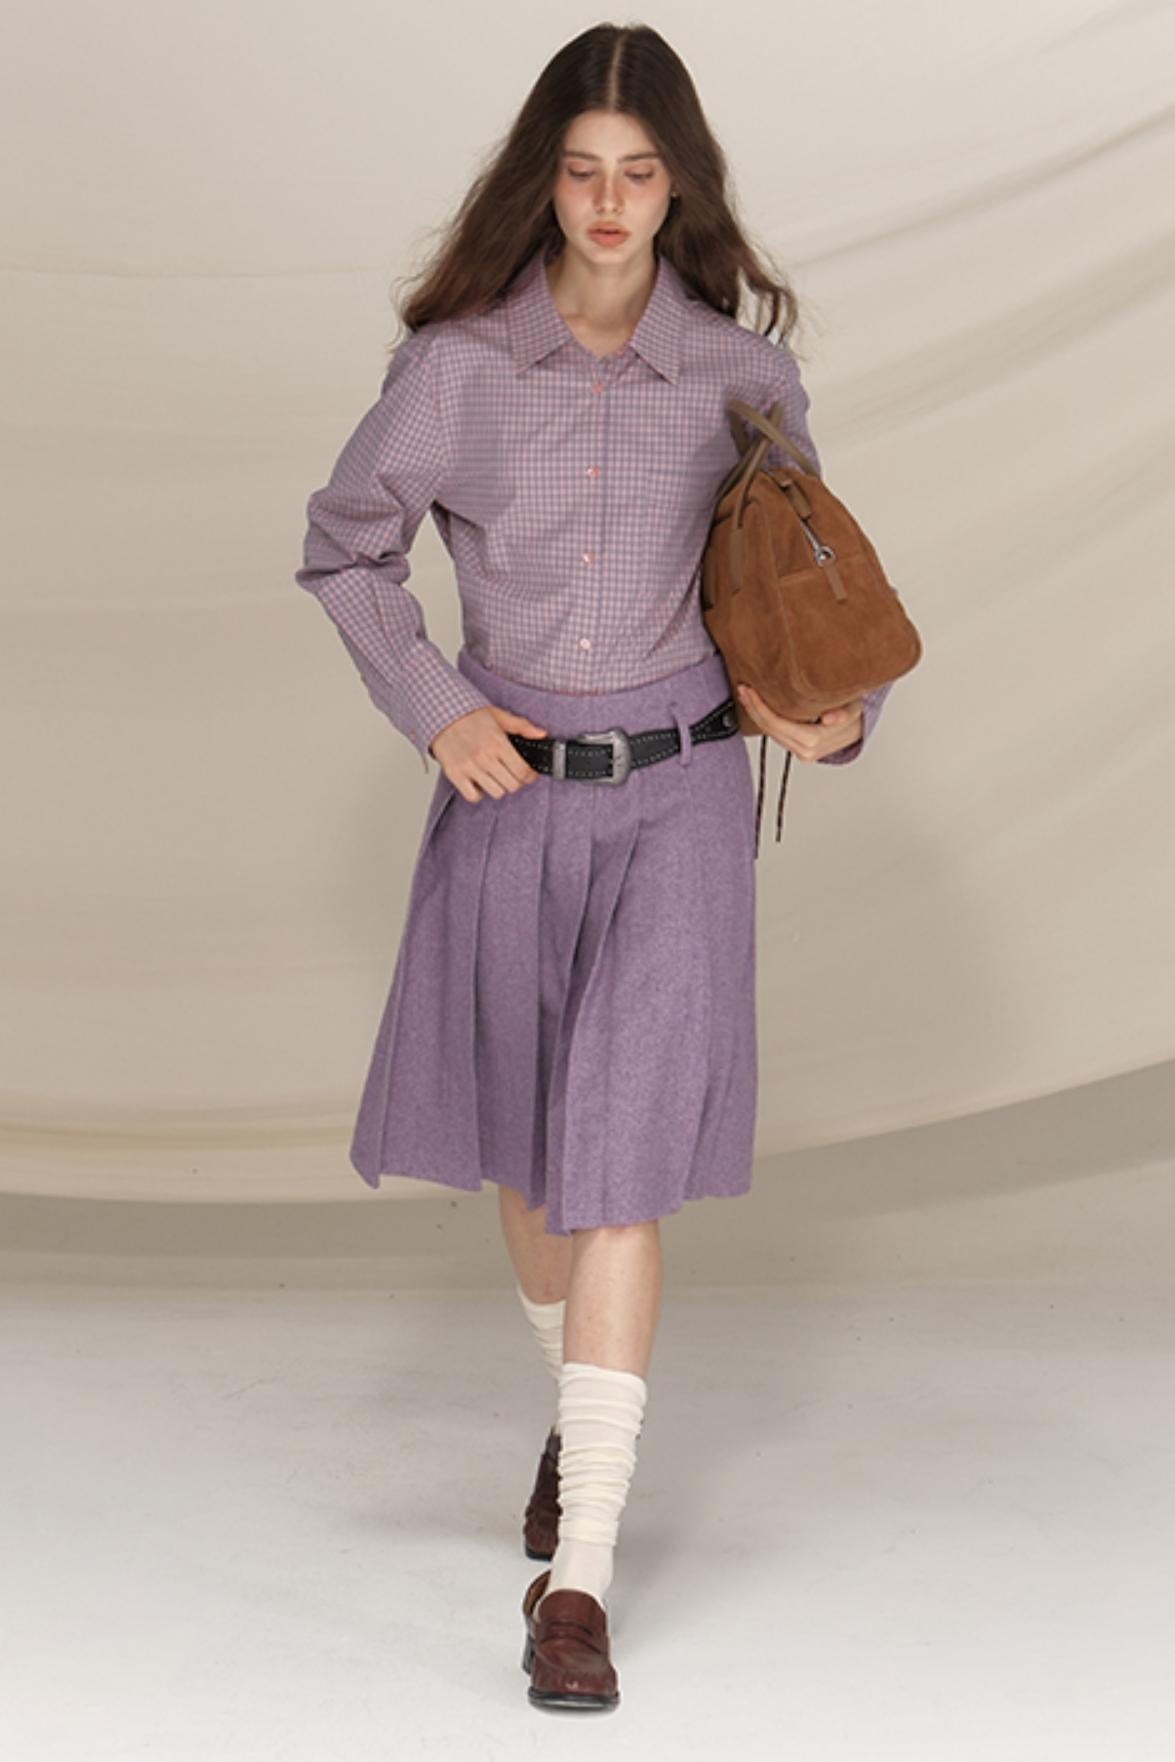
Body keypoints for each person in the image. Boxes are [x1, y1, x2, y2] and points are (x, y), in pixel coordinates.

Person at [295, 21, 893, 1714]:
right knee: (538, 1171)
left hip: (683, 802)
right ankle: (580, 1405)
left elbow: (806, 589)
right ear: (543, 181)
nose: (612, 203)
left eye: (641, 173)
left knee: (619, 1169)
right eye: (583, 172)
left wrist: (836, 720)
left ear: (681, 184)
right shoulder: (459, 372)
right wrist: (438, 709)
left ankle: (580, 1582)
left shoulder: (739, 377)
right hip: (514, 802)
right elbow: (345, 552)